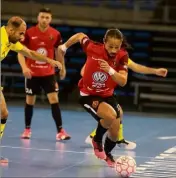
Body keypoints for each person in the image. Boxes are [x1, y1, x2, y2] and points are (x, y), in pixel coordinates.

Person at [59, 29, 129, 167]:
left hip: (108, 95)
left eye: (117, 47)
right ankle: (97, 141)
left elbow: (122, 81)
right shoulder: (93, 48)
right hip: (89, 95)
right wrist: (64, 46)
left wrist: (110, 70)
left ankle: (108, 154)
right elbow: (80, 36)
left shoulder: (122, 56)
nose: (114, 50)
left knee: (114, 132)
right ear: (104, 42)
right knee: (110, 116)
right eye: (111, 46)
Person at [0, 16, 62, 164]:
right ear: (10, 30)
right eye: (20, 33)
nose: (22, 37)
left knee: (3, 112)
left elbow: (30, 53)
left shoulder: (10, 40)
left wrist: (50, 61)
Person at [82, 58, 168, 148]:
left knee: (118, 113)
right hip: (95, 92)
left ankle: (118, 139)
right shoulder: (99, 55)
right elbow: (83, 72)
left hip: (107, 92)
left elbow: (136, 67)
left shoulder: (122, 56)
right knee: (111, 116)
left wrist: (155, 71)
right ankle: (94, 137)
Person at [18, 8, 70, 140]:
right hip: (32, 73)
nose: (44, 19)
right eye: (42, 17)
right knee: (30, 101)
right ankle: (27, 129)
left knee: (54, 100)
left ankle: (60, 131)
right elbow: (20, 51)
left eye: (47, 17)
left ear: (50, 19)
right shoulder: (29, 33)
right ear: (38, 18)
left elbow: (59, 52)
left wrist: (62, 67)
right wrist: (24, 68)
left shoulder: (55, 34)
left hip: (48, 74)